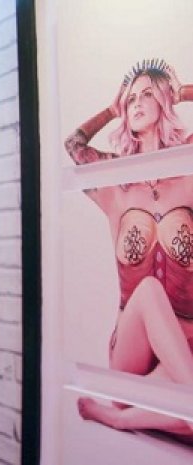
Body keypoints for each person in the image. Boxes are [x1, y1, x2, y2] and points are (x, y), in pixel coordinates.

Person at [65, 58, 193, 441]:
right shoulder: (114, 182)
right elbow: (73, 145)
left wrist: (184, 91)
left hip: (185, 346)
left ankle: (123, 418)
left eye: (147, 94)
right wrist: (111, 108)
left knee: (182, 401)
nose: (136, 102)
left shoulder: (187, 173)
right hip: (132, 350)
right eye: (131, 97)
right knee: (149, 291)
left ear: (165, 101)